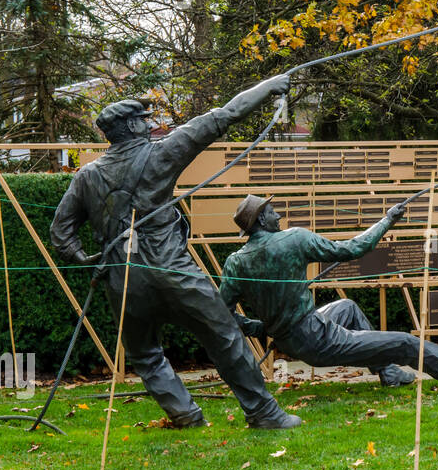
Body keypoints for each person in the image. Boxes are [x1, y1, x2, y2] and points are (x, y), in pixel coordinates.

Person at [50, 77, 302, 430]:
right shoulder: (161, 153)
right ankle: (264, 413)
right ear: (132, 126)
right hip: (173, 272)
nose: (151, 124)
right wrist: (269, 87)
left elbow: (61, 232)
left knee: (145, 353)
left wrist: (84, 258)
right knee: (225, 335)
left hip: (123, 281)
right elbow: (222, 116)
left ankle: (184, 414)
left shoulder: (86, 175)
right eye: (145, 120)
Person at [219, 195, 438, 389]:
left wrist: (258, 327)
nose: (278, 215)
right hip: (318, 340)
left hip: (291, 338)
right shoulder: (294, 239)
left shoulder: (235, 261)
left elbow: (222, 312)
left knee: (346, 307)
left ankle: (388, 372)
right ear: (260, 220)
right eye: (271, 212)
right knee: (406, 343)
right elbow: (353, 248)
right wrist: (387, 221)